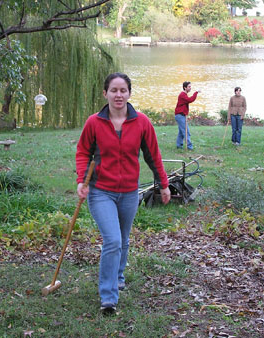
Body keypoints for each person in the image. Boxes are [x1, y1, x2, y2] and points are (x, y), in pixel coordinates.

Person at [75, 72, 171, 314]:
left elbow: (153, 156)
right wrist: (81, 180)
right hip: (100, 191)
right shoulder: (94, 122)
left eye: (123, 90)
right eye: (114, 90)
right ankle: (108, 297)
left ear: (129, 93)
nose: (118, 95)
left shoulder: (142, 123)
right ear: (105, 93)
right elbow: (83, 152)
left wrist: (164, 184)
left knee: (124, 239)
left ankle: (118, 275)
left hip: (129, 191)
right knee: (113, 240)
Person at [174, 81, 200, 150]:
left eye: (190, 86)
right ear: (185, 88)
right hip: (180, 115)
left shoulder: (184, 94)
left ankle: (179, 145)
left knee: (181, 132)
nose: (190, 88)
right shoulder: (182, 95)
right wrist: (196, 92)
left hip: (181, 115)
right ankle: (189, 147)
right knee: (186, 131)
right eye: (189, 87)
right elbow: (190, 100)